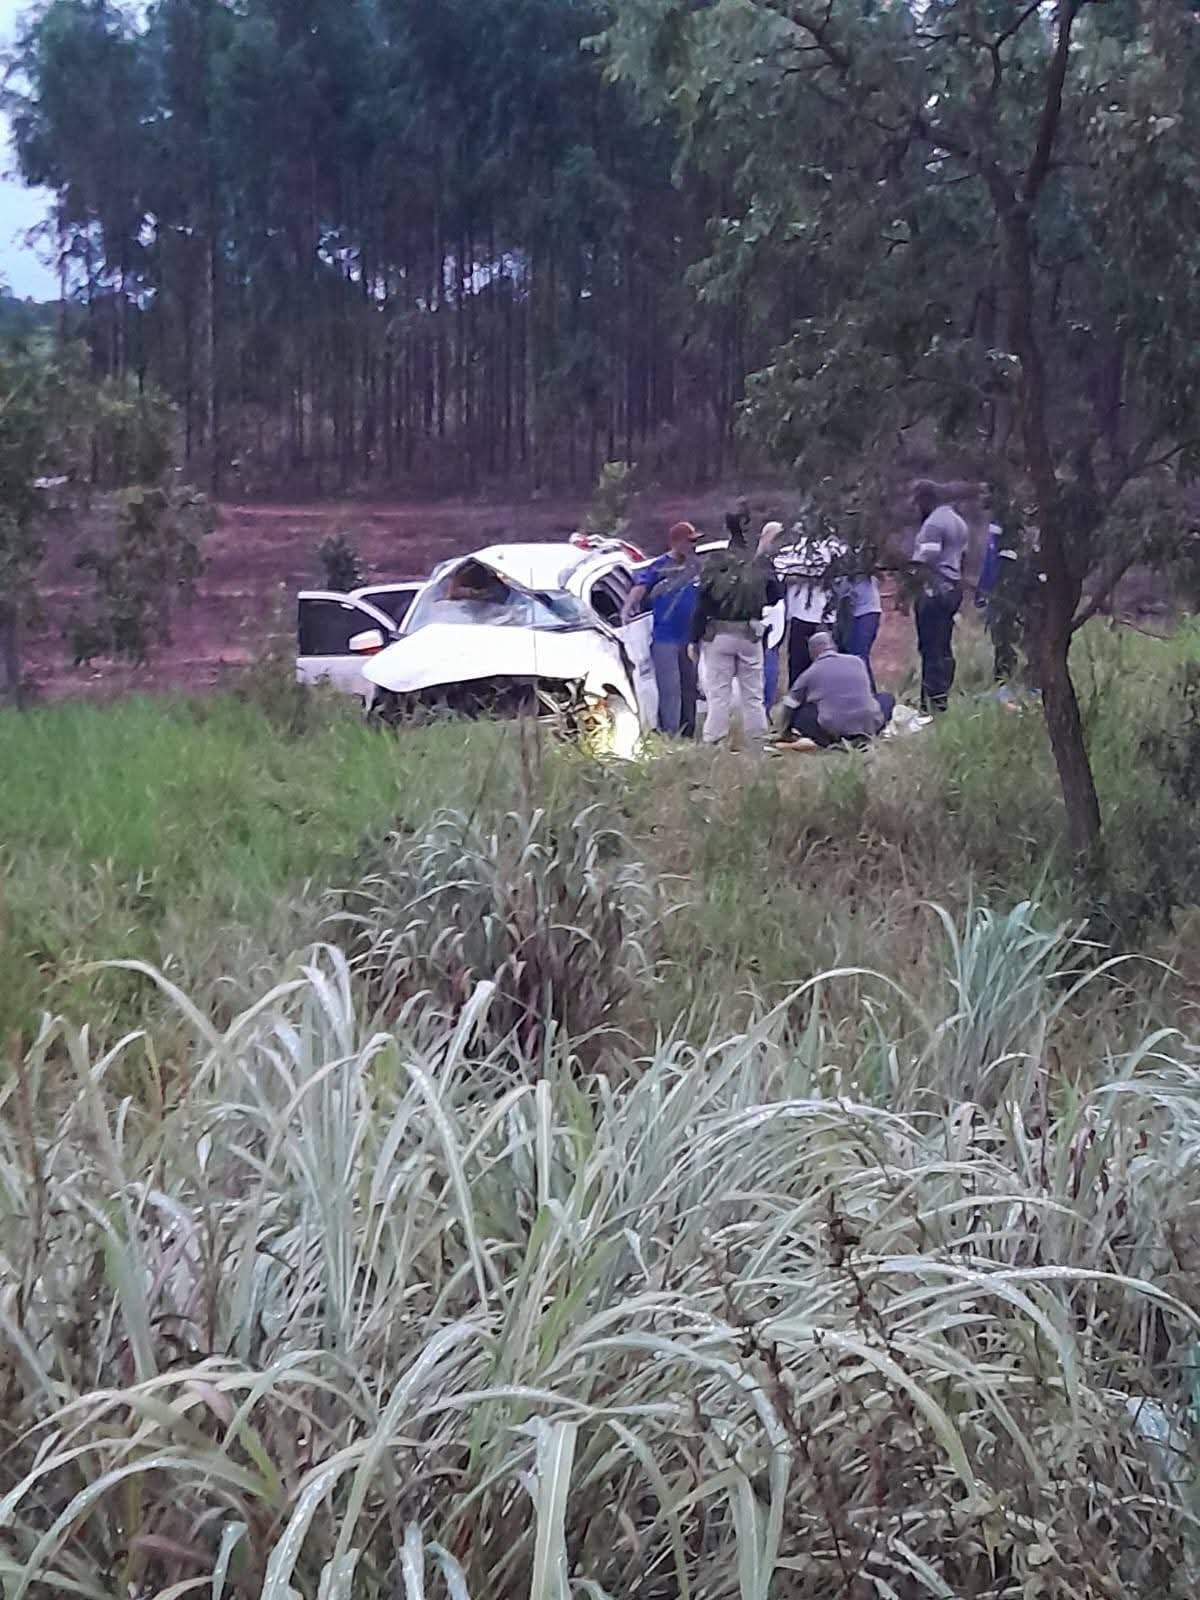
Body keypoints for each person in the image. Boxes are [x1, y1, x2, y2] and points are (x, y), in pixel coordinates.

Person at [689, 534, 783, 747]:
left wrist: (693, 639)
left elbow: (701, 606)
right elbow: (777, 595)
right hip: (749, 635)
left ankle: (714, 740)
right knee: (753, 695)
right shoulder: (756, 569)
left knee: (718, 695)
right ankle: (757, 742)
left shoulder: (716, 569)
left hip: (718, 635)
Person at [624, 520, 700, 736]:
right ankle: (670, 733)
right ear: (676, 542)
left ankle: (688, 731)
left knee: (689, 687)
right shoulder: (659, 566)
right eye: (689, 541)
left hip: (689, 637)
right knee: (670, 688)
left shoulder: (695, 566)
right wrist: (627, 609)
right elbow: (640, 586)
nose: (692, 546)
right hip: (665, 637)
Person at [774, 630, 894, 747]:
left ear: (812, 652)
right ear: (833, 646)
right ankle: (868, 734)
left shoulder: (809, 673)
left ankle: (828, 741)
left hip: (834, 731)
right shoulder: (858, 661)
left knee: (801, 713)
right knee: (886, 698)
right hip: (869, 725)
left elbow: (789, 705)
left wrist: (784, 731)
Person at [911, 480, 968, 712]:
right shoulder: (957, 520)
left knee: (931, 647)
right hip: (953, 588)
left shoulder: (933, 524)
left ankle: (932, 704)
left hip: (934, 591)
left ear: (926, 499)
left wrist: (910, 577)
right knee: (943, 646)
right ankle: (941, 698)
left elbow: (927, 559)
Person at [781, 529, 839, 686]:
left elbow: (838, 573)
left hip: (825, 615)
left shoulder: (834, 547)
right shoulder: (795, 548)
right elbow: (783, 573)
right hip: (800, 614)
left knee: (827, 664)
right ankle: (797, 704)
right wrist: (799, 574)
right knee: (798, 666)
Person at [830, 544, 883, 691]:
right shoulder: (829, 554)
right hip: (844, 613)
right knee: (844, 657)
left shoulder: (860, 550)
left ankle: (869, 696)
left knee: (859, 657)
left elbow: (875, 563)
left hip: (866, 611)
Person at [757, 520, 787, 713]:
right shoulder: (762, 564)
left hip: (773, 620)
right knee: (768, 666)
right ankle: (764, 708)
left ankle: (765, 707)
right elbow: (773, 593)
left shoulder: (769, 562)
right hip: (767, 621)